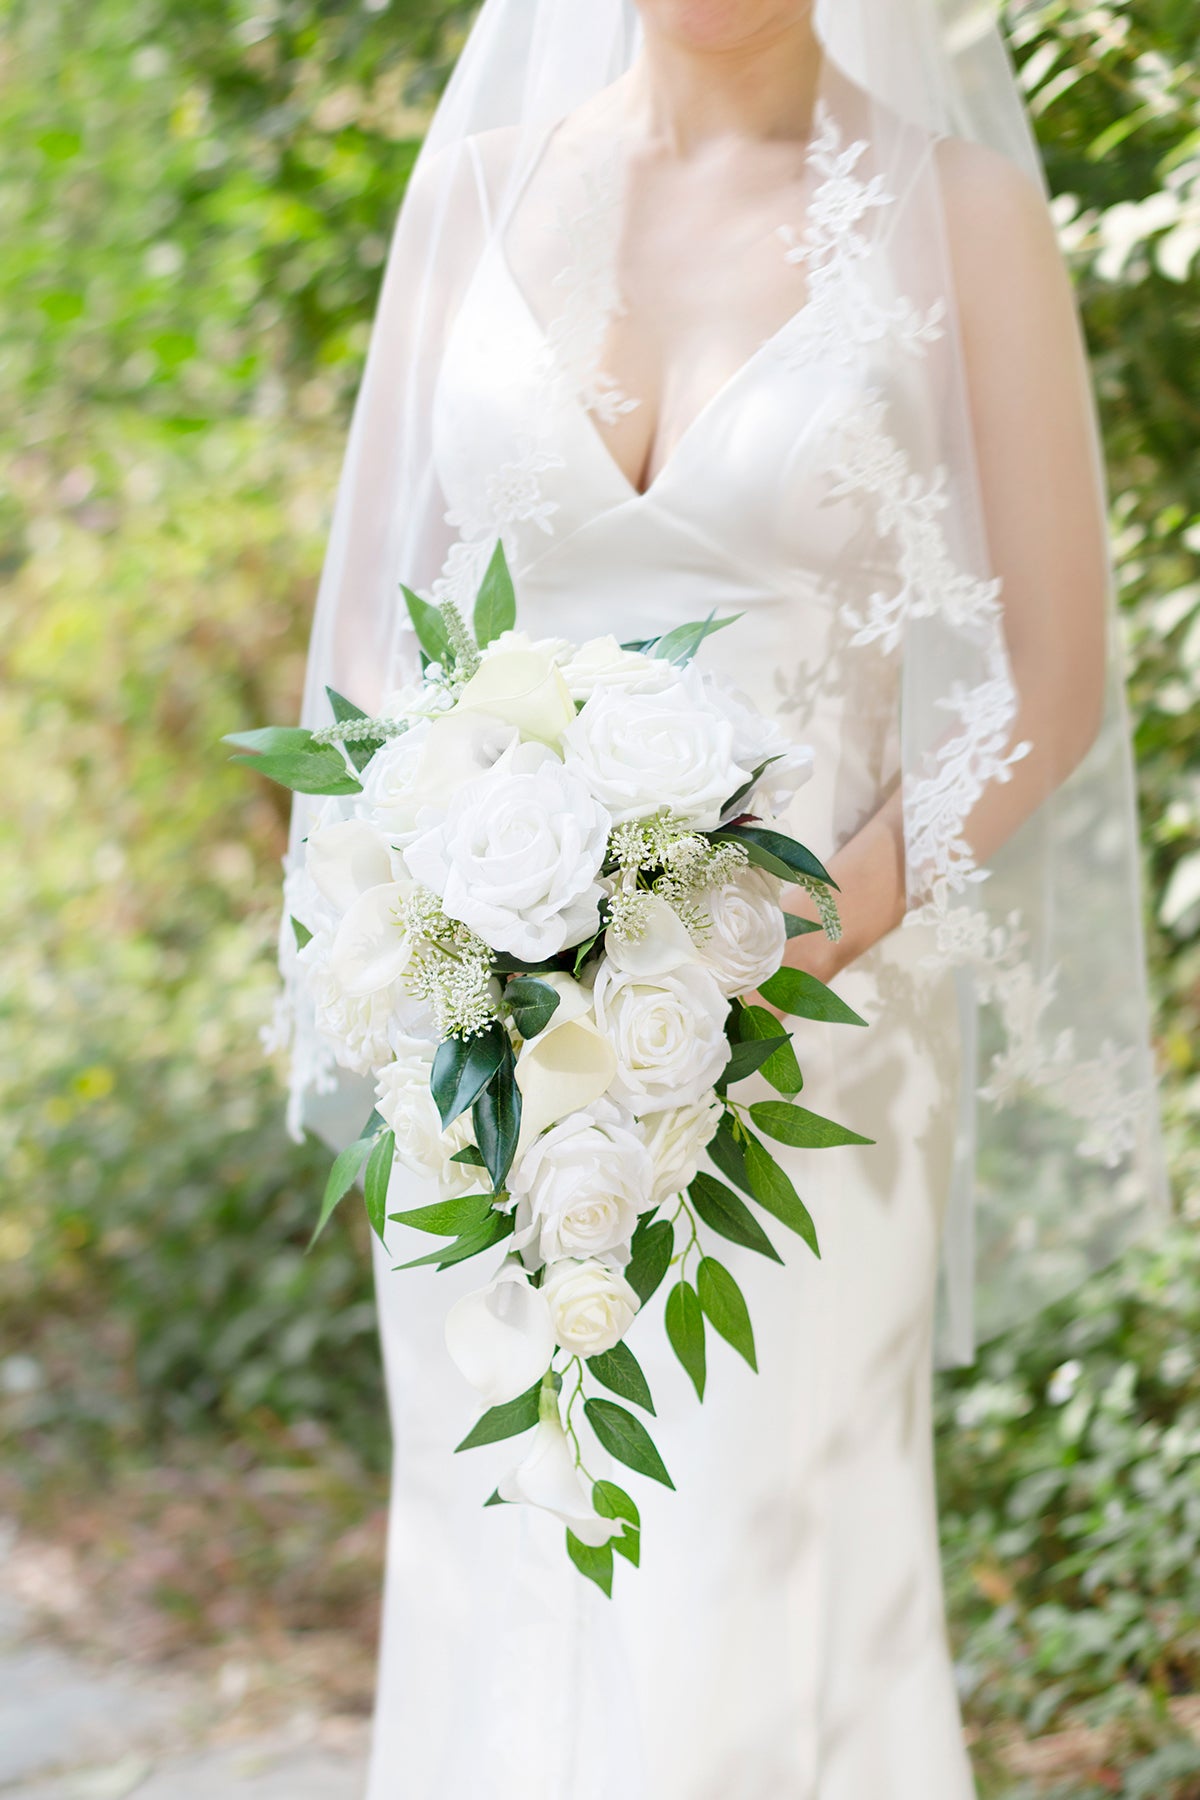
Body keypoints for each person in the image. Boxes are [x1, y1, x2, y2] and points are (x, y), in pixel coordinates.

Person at [275, 2, 1166, 1794]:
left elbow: (1046, 685)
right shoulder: (474, 191)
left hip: (818, 1041)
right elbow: (375, 645)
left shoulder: (962, 211)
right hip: (489, 1048)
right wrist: (433, 927)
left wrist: (774, 943)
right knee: (504, 1550)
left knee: (754, 1564)